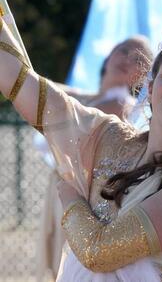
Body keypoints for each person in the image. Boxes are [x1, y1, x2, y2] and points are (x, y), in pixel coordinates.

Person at [0, 12, 162, 282]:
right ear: (151, 88)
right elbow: (18, 79)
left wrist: (70, 197)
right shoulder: (108, 139)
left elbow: (99, 252)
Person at [35, 36, 153, 282]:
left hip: (83, 197)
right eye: (123, 51)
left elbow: (47, 96)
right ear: (108, 57)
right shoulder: (88, 99)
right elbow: (46, 88)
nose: (127, 59)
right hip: (60, 188)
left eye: (137, 58)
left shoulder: (121, 105)